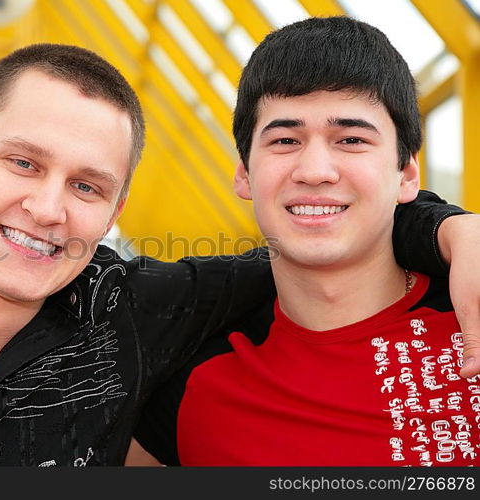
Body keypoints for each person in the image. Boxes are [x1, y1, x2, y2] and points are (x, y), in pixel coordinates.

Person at [0, 41, 477, 466]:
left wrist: (452, 230)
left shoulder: (131, 315)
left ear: (115, 211)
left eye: (86, 185)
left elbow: (322, 246)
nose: (49, 208)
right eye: (23, 163)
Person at [131, 16, 480, 466]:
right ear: (244, 173)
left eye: (351, 139)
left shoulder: (468, 315)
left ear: (407, 175)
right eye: (285, 139)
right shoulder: (192, 382)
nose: (315, 170)